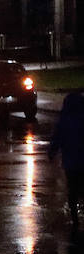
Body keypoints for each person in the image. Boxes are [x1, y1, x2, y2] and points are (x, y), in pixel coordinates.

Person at [47, 91, 84, 233]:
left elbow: (57, 138)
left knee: (73, 189)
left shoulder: (64, 120)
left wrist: (52, 152)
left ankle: (75, 218)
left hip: (70, 162)